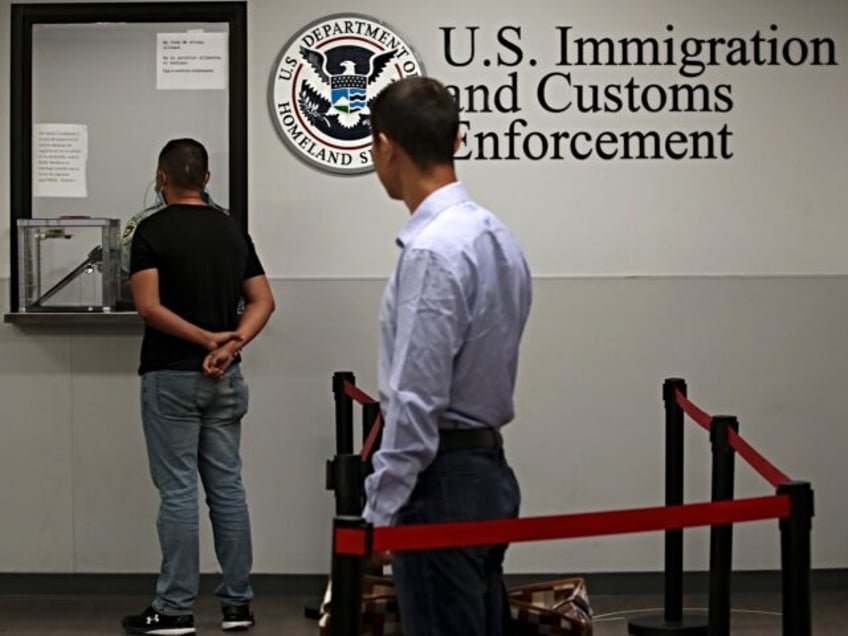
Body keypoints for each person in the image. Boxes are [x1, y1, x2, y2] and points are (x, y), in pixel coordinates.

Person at [363, 77, 533, 636]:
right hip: (487, 474)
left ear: (387, 146)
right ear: (455, 138)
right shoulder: (496, 236)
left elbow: (417, 398)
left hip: (440, 484)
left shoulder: (434, 250)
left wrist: (378, 514)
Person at [122, 138, 275, 635]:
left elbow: (148, 306)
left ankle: (174, 609)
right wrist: (229, 346)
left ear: (161, 177)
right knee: (228, 488)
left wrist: (204, 338)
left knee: (179, 492)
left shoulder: (151, 230)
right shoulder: (231, 228)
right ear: (206, 180)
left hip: (171, 375)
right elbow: (263, 301)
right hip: (225, 378)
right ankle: (237, 606)